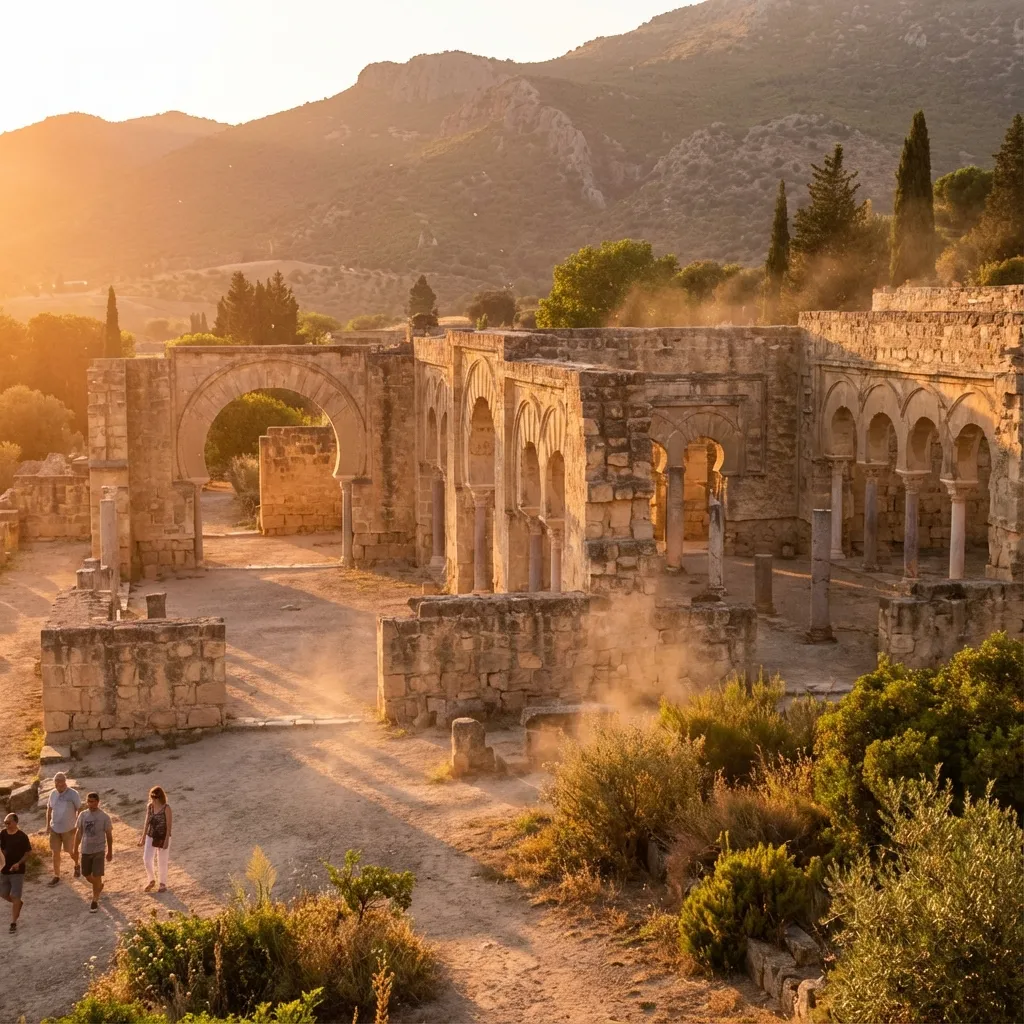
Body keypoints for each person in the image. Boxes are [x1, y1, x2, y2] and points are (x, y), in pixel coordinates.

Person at [74, 793, 113, 913]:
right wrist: (75, 848)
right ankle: (98, 886)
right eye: (89, 801)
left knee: (97, 875)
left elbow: (109, 835)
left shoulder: (104, 817)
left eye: (93, 801)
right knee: (86, 874)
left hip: (99, 850)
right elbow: (79, 832)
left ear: (98, 802)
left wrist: (110, 851)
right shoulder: (83, 815)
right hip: (85, 849)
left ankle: (95, 900)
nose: (91, 804)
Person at [45, 772, 81, 885]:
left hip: (69, 829)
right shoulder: (53, 794)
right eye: (57, 782)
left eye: (61, 781)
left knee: (70, 851)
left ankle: (76, 865)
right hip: (54, 828)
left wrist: (77, 826)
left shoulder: (73, 794)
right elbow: (49, 809)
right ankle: (56, 875)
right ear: (55, 783)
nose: (59, 784)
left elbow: (79, 809)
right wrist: (47, 826)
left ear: (65, 782)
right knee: (55, 853)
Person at [1, 812, 31, 933]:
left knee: (15, 895)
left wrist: (19, 863)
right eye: (5, 823)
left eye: (8, 823)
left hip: (18, 871)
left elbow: (28, 852)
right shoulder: (2, 834)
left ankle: (13, 922)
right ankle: (17, 903)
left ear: (15, 822)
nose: (6, 825)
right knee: (3, 894)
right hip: (4, 869)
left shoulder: (22, 836)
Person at [139, 786, 172, 892]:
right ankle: (151, 880)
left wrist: (166, 840)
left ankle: (163, 883)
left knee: (162, 860)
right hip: (151, 835)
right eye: (152, 796)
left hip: (163, 836)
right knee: (147, 859)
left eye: (156, 796)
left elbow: (169, 825)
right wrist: (143, 837)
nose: (154, 798)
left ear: (160, 796)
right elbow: (147, 822)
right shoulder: (150, 807)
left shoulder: (166, 808)